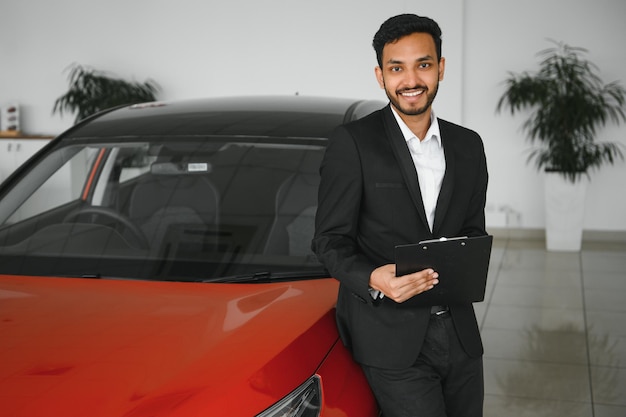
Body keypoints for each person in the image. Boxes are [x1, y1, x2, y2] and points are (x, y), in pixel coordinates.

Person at [312, 13, 488, 417]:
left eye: (423, 65)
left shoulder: (469, 145)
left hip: (460, 334)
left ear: (441, 68)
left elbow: (472, 231)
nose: (411, 80)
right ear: (380, 75)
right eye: (397, 68)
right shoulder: (353, 144)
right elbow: (328, 241)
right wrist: (373, 278)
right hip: (390, 339)